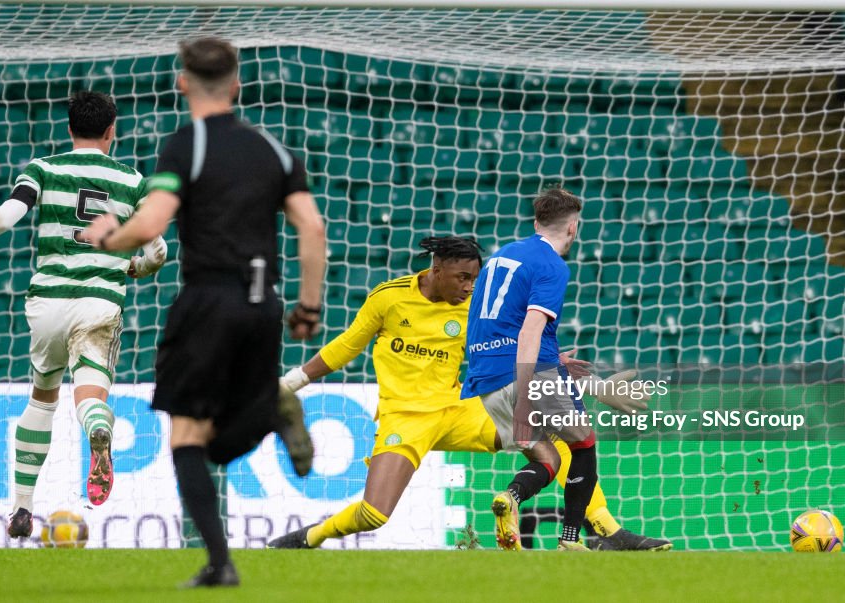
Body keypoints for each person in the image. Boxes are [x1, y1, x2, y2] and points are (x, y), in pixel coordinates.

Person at [80, 37, 325, 587]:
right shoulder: (273, 149)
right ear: (238, 84)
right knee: (215, 442)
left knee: (189, 437)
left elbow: (150, 226)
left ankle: (221, 563)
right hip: (265, 304)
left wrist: (107, 237)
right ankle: (270, 406)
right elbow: (312, 228)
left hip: (209, 300)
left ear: (183, 82)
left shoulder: (184, 146)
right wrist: (309, 307)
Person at [269, 236, 670, 551]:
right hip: (405, 419)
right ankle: (313, 537)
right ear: (436, 269)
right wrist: (290, 384)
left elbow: (520, 359)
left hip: (461, 411)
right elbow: (346, 346)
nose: (470, 286)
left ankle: (604, 530)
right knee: (374, 514)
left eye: (475, 278)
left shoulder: (475, 308)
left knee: (562, 436)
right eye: (462, 277)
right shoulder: (389, 298)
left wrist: (589, 384)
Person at [0, 90, 168, 538]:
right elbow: (158, 250)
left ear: (69, 129)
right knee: (90, 398)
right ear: (112, 131)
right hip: (98, 301)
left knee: (42, 396)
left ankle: (21, 508)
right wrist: (136, 267)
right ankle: (97, 430)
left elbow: (7, 217)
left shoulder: (44, 169)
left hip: (48, 302)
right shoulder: (133, 179)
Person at [461, 187, 651, 551]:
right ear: (573, 228)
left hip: (484, 377)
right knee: (584, 444)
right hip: (527, 373)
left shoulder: (501, 257)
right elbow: (530, 328)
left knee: (546, 457)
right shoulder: (551, 265)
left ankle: (511, 498)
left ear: (536, 222)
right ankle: (570, 539)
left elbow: (491, 320)